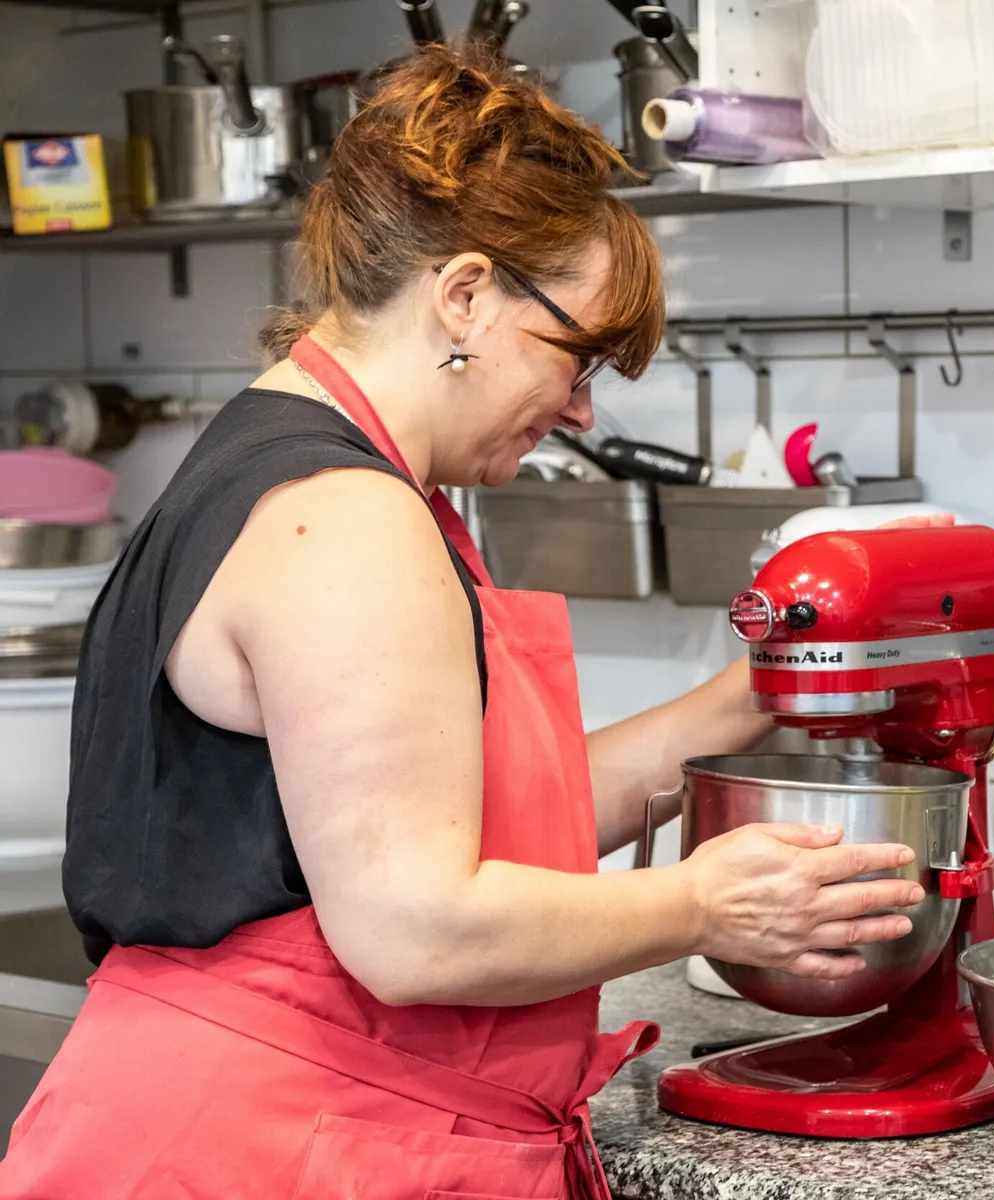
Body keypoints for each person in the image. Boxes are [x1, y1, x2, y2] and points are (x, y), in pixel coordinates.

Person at [0, 43, 926, 1200]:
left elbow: (470, 833)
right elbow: (418, 927)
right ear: (467, 295)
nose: (582, 408)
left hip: (298, 1125)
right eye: (575, 357)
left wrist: (753, 696)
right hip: (275, 1143)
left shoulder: (304, 470)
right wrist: (705, 903)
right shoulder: (345, 519)